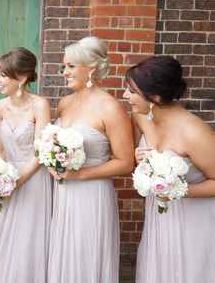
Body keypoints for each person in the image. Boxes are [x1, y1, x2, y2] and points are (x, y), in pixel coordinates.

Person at [48, 37, 134, 283]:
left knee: (86, 255)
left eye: (71, 66)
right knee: (64, 254)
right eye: (64, 66)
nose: (65, 72)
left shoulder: (110, 108)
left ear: (92, 68)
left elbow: (125, 162)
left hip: (91, 195)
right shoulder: (64, 104)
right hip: (63, 194)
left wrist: (79, 175)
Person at [123, 55, 215, 283]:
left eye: (132, 91)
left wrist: (177, 190)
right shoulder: (142, 119)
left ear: (154, 96)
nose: (125, 96)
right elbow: (140, 166)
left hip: (193, 222)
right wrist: (138, 158)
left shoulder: (194, 132)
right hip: (159, 218)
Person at [0, 47, 52, 283]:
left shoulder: (40, 105)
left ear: (22, 77)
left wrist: (17, 180)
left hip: (34, 180)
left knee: (29, 238)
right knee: (6, 237)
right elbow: (1, 149)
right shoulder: (0, 106)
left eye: (2, 75)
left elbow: (41, 151)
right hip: (7, 180)